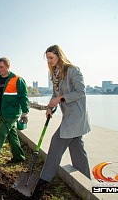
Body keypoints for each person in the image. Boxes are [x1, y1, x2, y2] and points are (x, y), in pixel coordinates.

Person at [37, 45, 91, 186]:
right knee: (77, 146)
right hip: (68, 115)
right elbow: (55, 94)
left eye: (51, 58)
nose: (49, 61)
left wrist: (60, 99)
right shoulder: (55, 73)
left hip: (77, 115)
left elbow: (81, 92)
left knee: (57, 140)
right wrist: (50, 106)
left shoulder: (73, 70)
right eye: (47, 58)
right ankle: (86, 179)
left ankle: (45, 177)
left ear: (59, 56)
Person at [0, 57, 29, 166]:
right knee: (11, 134)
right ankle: (19, 156)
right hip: (2, 112)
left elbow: (23, 97)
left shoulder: (17, 80)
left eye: (1, 67)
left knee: (1, 133)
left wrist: (25, 112)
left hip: (13, 113)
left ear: (8, 66)